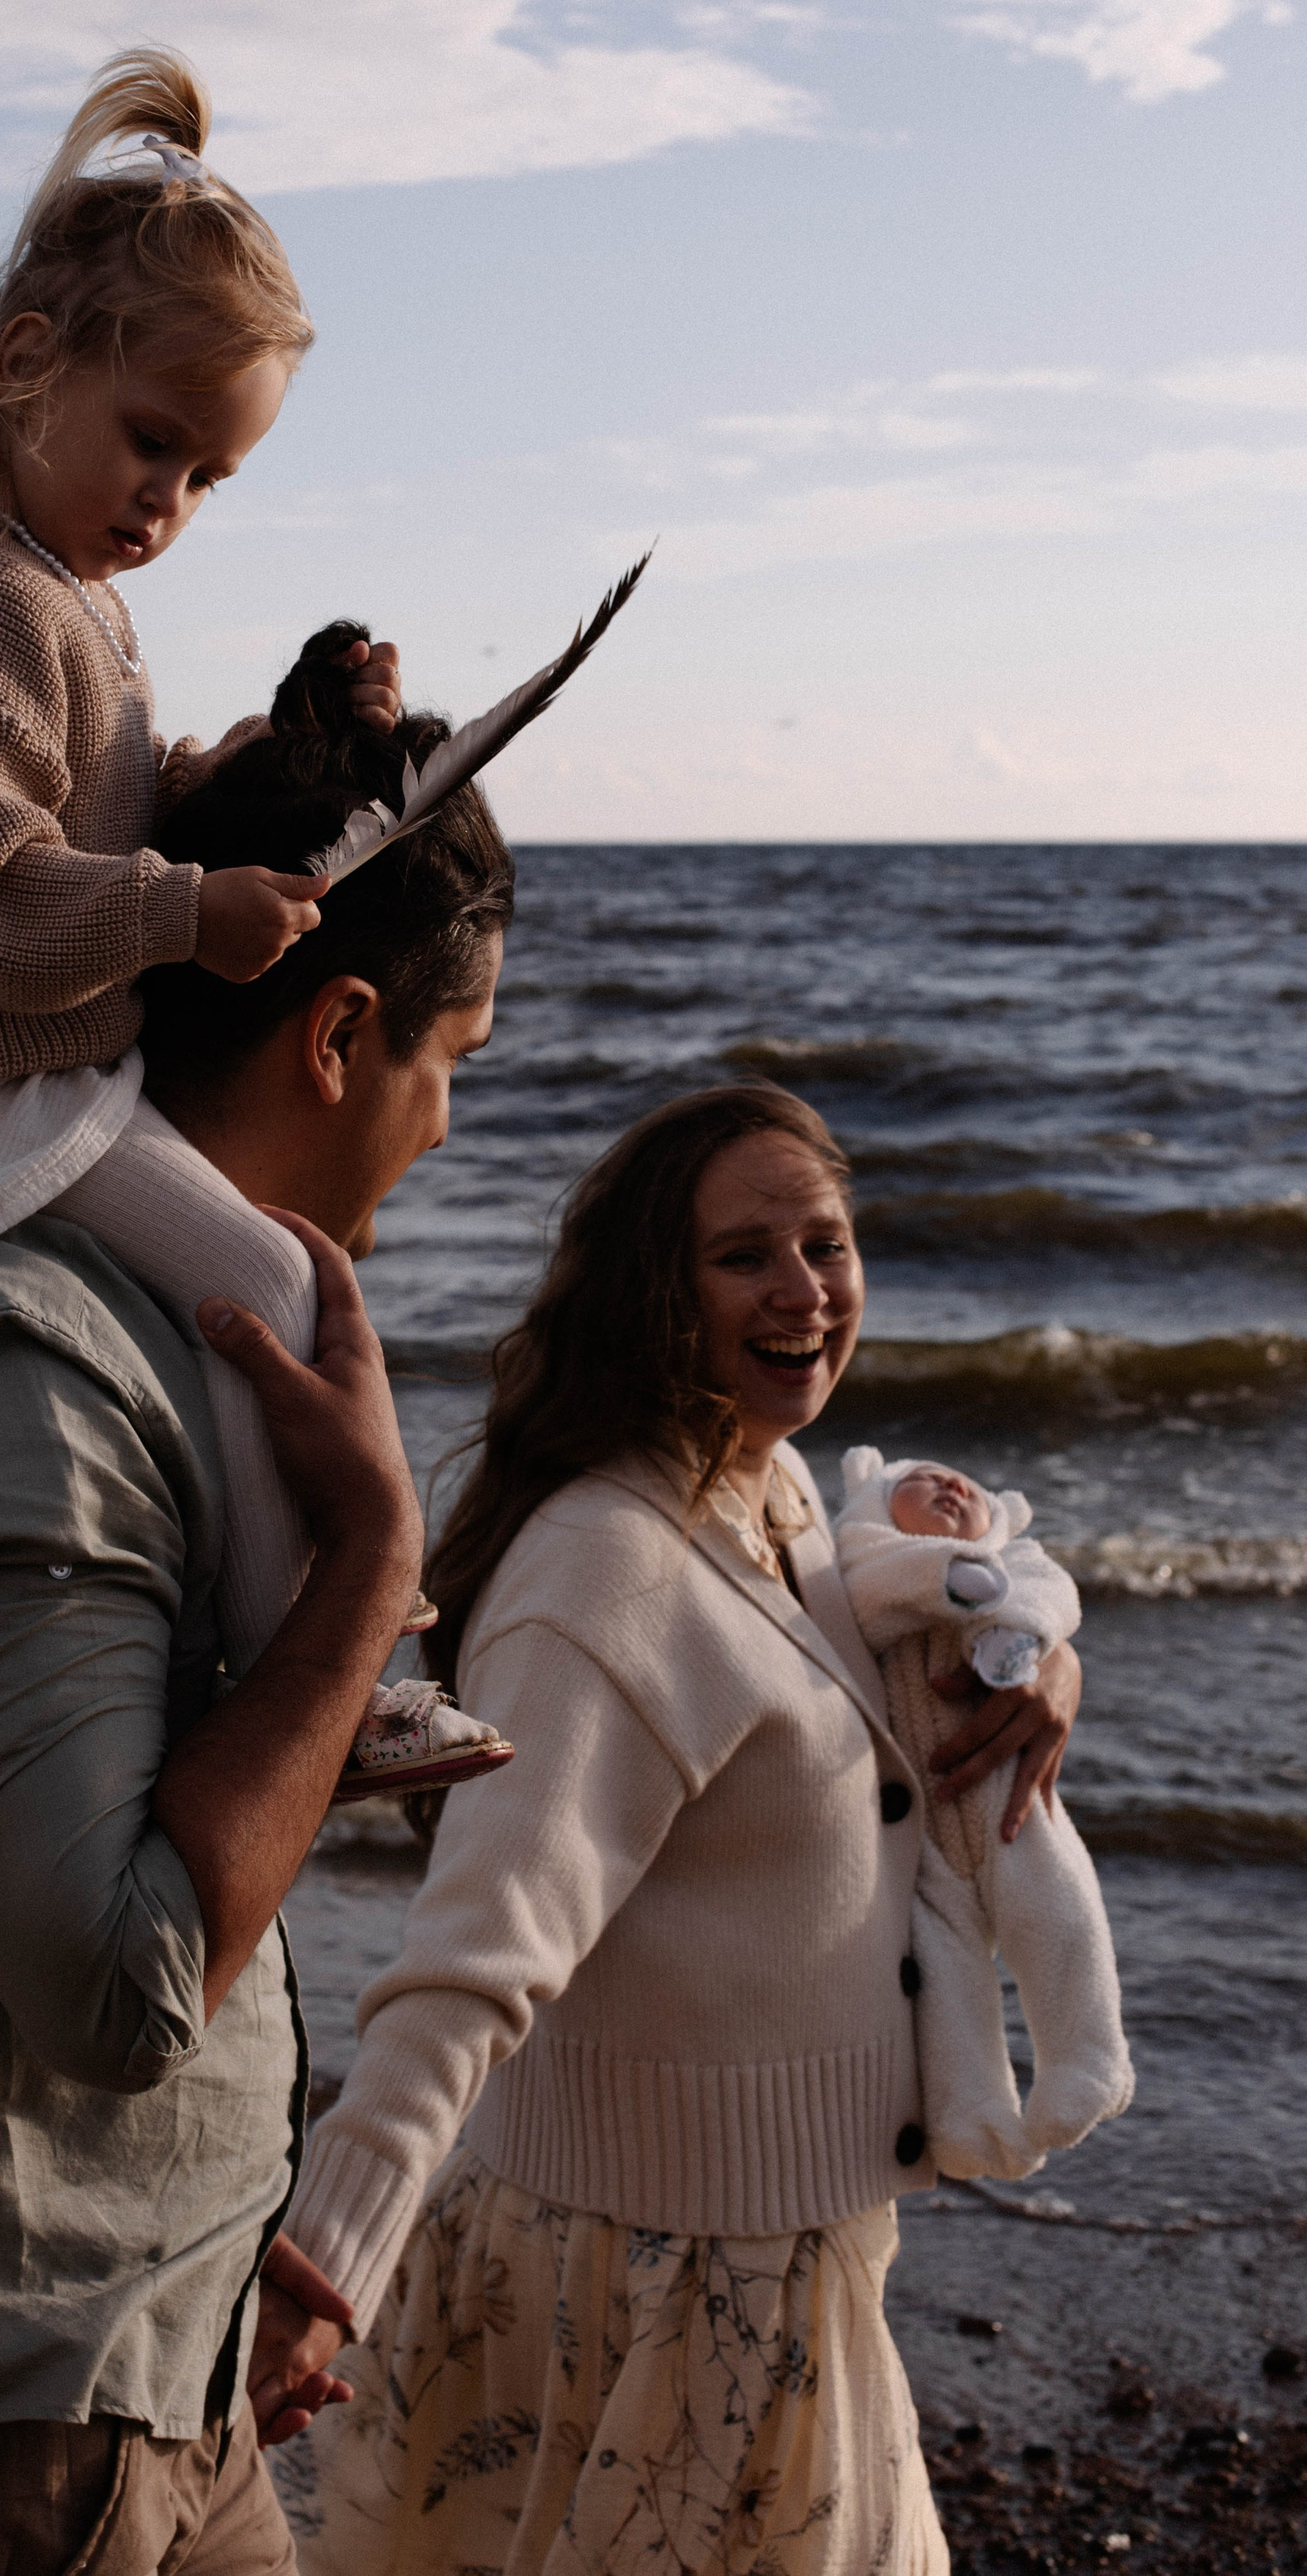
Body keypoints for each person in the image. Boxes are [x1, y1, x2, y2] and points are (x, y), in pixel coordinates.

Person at [0, 685, 515, 2569]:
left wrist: (209, 2226)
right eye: (454, 1058)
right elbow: (122, 1986)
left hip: (130, 2363)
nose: (449, 1123)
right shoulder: (24, 1380)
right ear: (337, 1034)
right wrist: (368, 1565)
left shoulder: (142, 1342)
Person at [0, 43, 490, 1797]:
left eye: (207, 478)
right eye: (151, 443)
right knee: (269, 1280)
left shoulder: (58, 599)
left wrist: (271, 748)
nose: (165, 504)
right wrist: (188, 911)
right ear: (29, 360)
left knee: (263, 1282)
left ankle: (277, 1640)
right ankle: (316, 1678)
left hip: (28, 1078)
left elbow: (103, 796)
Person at [264, 1083, 1083, 2575]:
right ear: (653, 1292)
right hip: (654, 2295)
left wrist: (1045, 1661)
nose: (803, 1290)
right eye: (743, 1256)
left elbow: (896, 1651)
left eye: (825, 1244)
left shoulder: (771, 1491)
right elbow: (472, 1957)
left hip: (770, 2258)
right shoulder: (606, 1575)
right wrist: (321, 2273)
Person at [835, 1448, 1132, 2183]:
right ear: (872, 1507)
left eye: (963, 1484)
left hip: (1013, 1806)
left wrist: (1025, 1632)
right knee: (944, 1975)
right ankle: (970, 2117)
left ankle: (1087, 2061)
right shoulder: (861, 1568)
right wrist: (947, 1577)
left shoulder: (1016, 1561)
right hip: (919, 1839)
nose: (947, 1484)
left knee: (1063, 1921)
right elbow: (868, 1602)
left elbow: (1053, 1595)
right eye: (917, 1480)